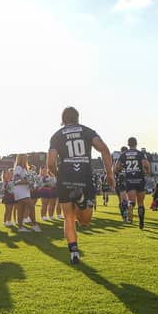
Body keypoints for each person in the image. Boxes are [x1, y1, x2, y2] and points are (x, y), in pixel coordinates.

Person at [47, 106, 114, 264]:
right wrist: (109, 173)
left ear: (63, 119)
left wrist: (58, 175)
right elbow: (104, 149)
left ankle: (74, 252)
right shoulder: (87, 131)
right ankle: (82, 201)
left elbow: (50, 163)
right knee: (85, 221)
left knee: (68, 217)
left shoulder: (56, 135)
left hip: (65, 176)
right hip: (84, 175)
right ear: (77, 118)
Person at [115, 137, 151, 229]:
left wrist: (122, 168)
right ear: (136, 143)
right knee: (141, 202)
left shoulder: (124, 154)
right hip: (140, 179)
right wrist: (147, 172)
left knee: (131, 200)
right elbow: (146, 164)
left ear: (128, 144)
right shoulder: (140, 154)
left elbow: (116, 167)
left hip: (129, 179)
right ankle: (141, 222)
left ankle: (130, 205)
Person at [13, 155, 41, 233]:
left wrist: (31, 182)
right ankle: (34, 225)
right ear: (21, 158)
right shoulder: (18, 167)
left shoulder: (24, 168)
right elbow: (16, 180)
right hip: (20, 190)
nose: (26, 158)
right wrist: (28, 181)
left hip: (25, 190)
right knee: (31, 206)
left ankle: (20, 227)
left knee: (21, 209)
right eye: (24, 157)